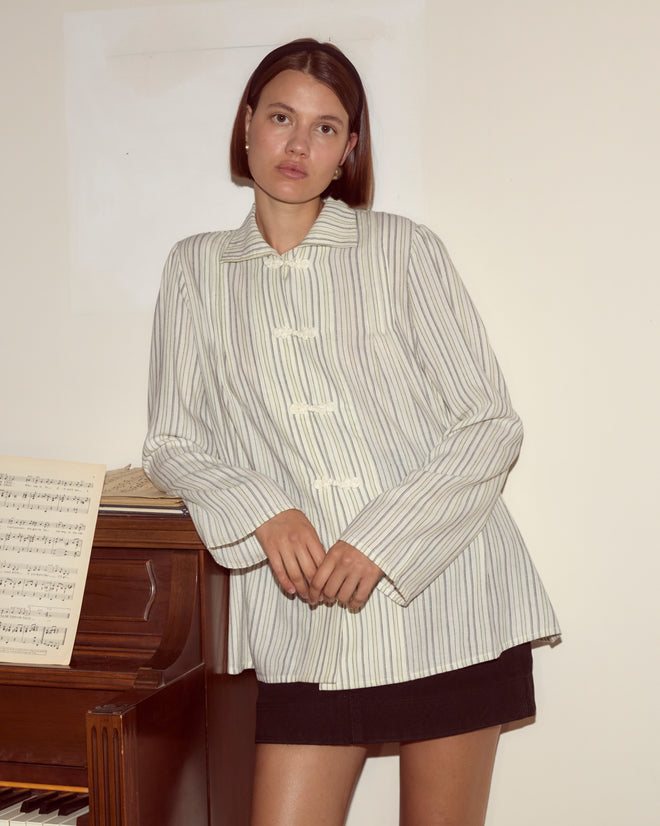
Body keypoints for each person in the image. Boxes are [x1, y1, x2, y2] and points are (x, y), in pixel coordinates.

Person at [143, 38, 560, 826]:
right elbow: (171, 441)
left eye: (326, 128)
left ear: (350, 151)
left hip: (445, 601)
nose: (299, 145)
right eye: (281, 117)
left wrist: (382, 541)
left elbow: (488, 422)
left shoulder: (402, 250)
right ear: (246, 126)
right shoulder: (195, 270)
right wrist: (263, 509)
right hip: (307, 624)